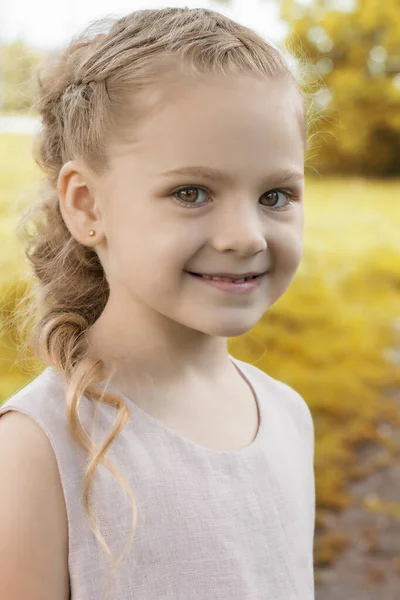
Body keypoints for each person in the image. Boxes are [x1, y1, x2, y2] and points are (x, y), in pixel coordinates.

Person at [0, 7, 316, 600]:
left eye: (275, 194)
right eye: (191, 193)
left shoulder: (288, 416)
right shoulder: (37, 451)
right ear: (88, 206)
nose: (246, 236)